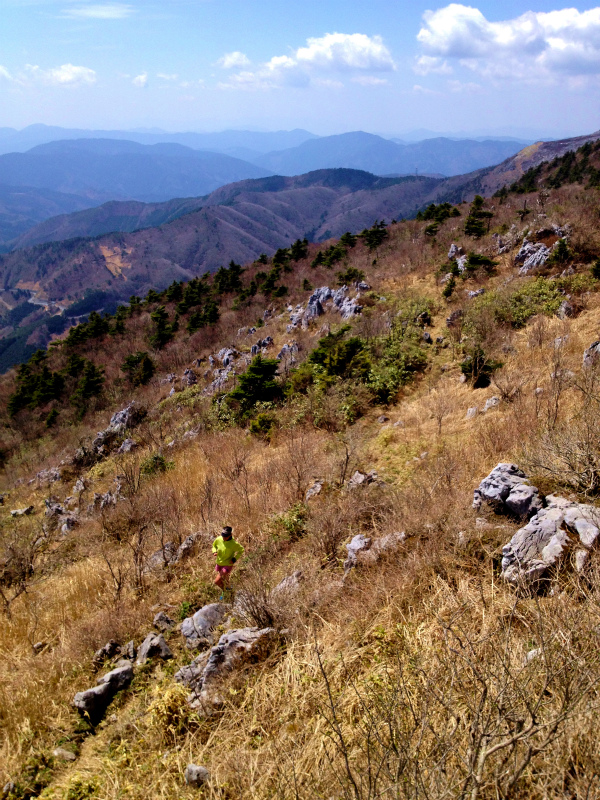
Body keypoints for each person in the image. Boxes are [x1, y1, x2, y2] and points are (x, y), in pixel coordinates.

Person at [212, 525, 244, 597]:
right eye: (223, 536)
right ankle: (230, 592)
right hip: (219, 562)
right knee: (225, 579)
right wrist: (214, 552)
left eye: (226, 536)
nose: (224, 538)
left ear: (230, 535)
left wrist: (234, 559)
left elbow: (241, 550)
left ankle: (224, 591)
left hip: (228, 564)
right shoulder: (218, 539)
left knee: (217, 581)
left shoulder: (234, 544)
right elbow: (214, 545)